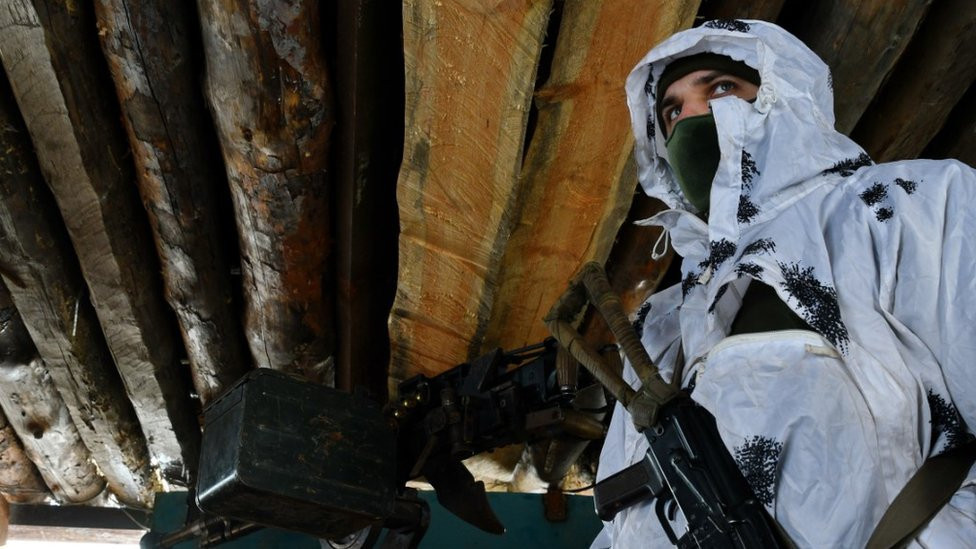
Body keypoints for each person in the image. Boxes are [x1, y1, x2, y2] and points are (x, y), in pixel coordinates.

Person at [591, 19, 976, 548]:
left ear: (782, 95)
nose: (692, 122)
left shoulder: (909, 207)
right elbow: (622, 520)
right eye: (672, 111)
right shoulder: (661, 324)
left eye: (722, 89)